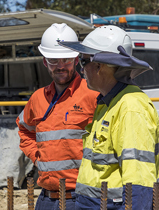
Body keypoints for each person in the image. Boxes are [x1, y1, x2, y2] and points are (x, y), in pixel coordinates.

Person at [59, 25, 159, 210]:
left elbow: (139, 183)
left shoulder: (130, 107)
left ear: (99, 66)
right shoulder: (108, 103)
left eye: (83, 62)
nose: (81, 70)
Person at [16, 23, 99, 209]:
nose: (60, 66)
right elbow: (24, 129)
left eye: (66, 59)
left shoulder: (93, 94)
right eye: (54, 60)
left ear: (76, 59)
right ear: (45, 62)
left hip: (82, 197)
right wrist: (38, 158)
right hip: (46, 199)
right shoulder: (37, 98)